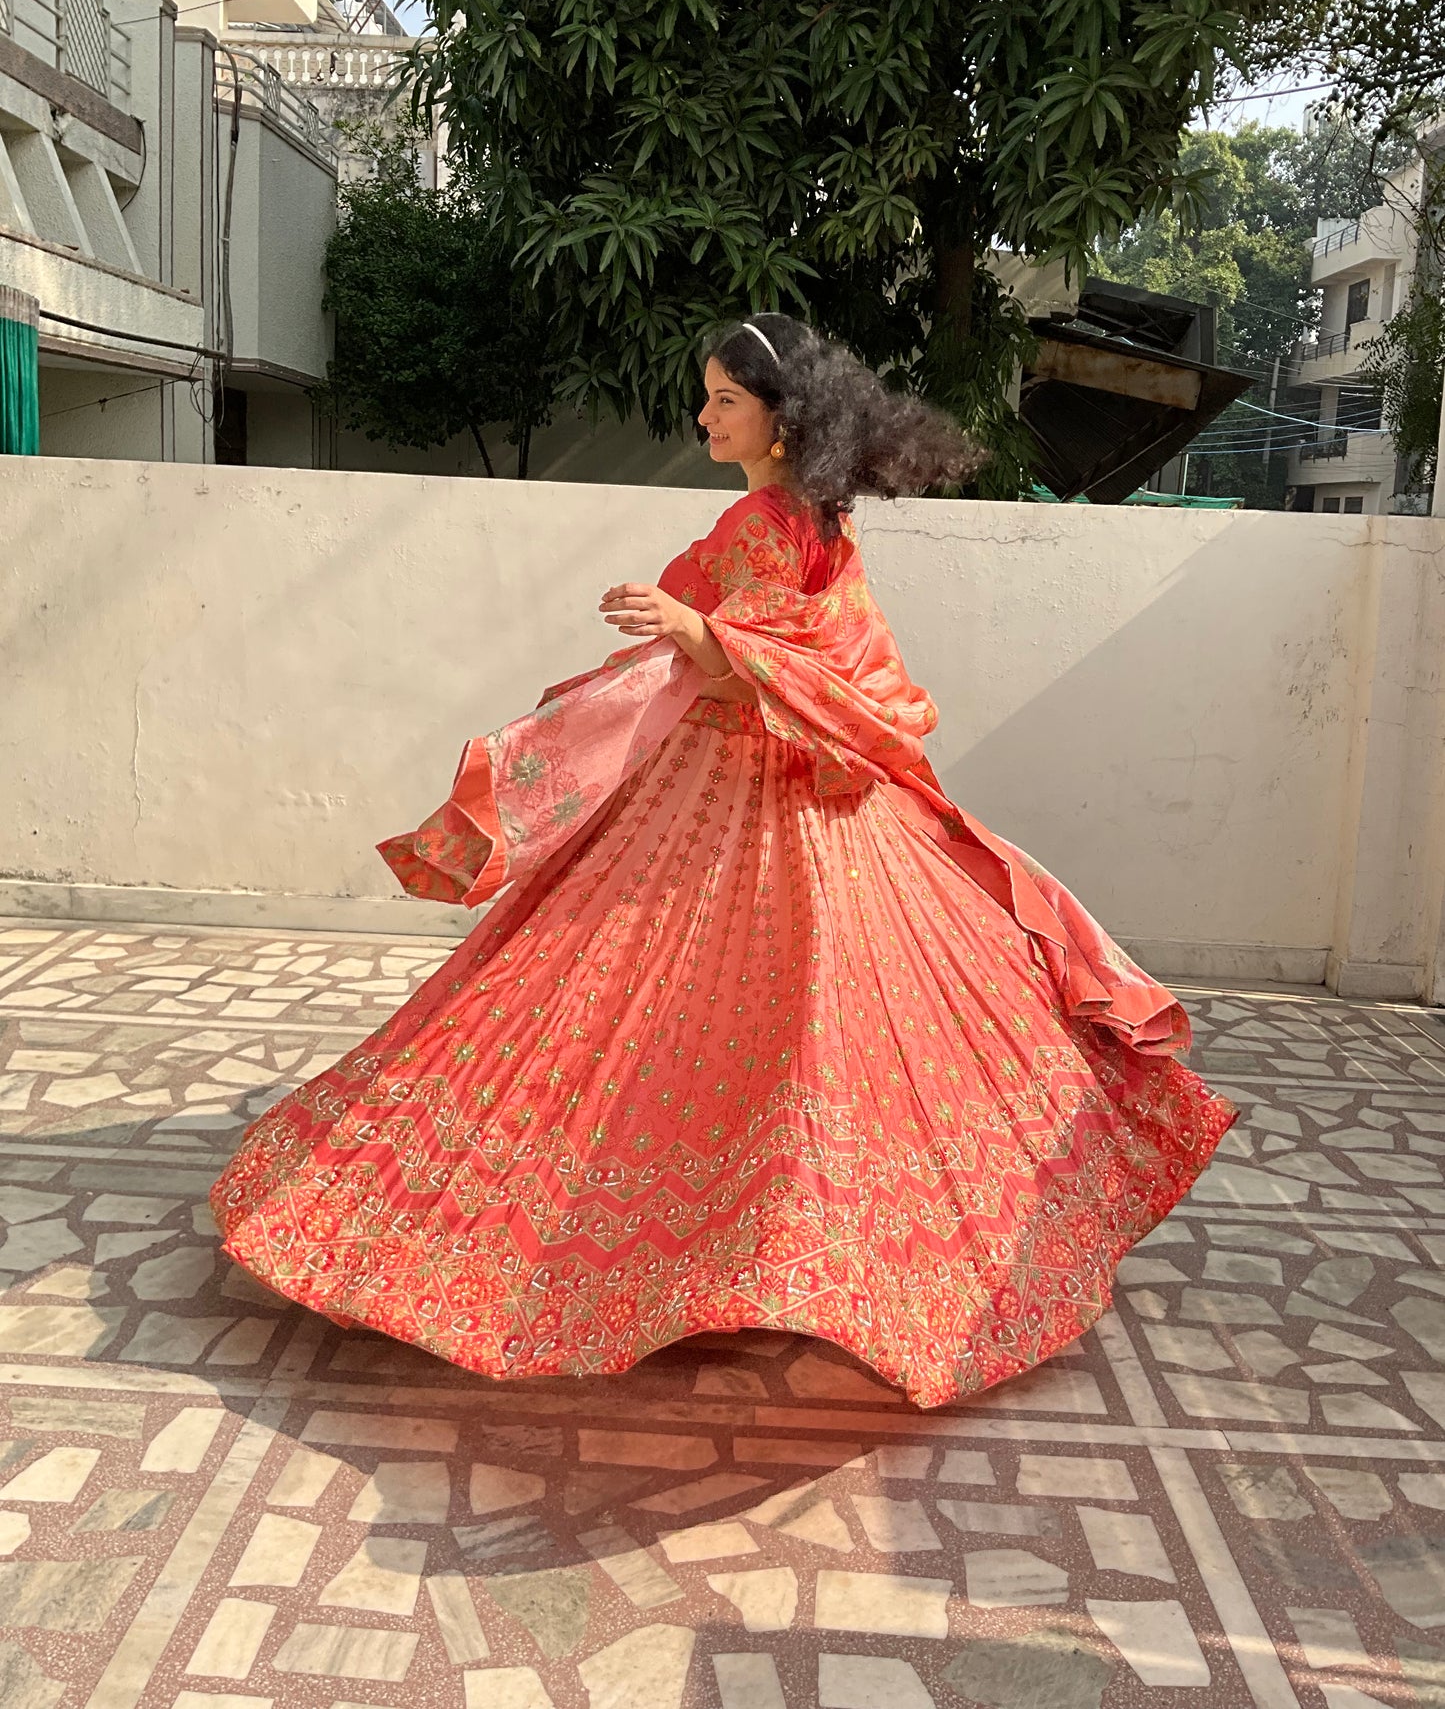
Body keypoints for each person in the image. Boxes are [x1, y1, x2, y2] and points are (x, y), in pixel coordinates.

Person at [212, 313, 1234, 1409]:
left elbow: (768, 670)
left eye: (724, 401)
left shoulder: (763, 519)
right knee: (799, 1037)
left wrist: (686, 626)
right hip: (810, 802)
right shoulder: (820, 519)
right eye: (705, 397)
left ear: (782, 420)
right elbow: (835, 675)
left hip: (735, 798)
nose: (703, 416)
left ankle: (640, 1257)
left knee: (616, 1001)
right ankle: (783, 1255)